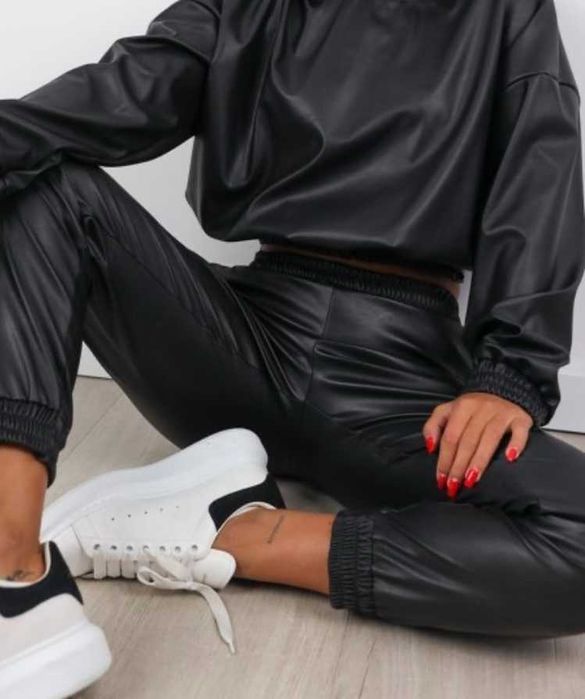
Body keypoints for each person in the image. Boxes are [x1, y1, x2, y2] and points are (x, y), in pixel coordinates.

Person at [2, 0, 585, 695]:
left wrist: (508, 373)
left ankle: (229, 532)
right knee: (43, 184)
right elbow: (121, 94)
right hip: (237, 344)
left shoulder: (503, 10)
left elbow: (539, 173)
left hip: (402, 383)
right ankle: (14, 571)